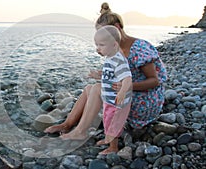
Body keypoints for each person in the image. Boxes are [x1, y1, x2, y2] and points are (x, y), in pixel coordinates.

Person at [45, 4, 167, 153]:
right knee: (90, 87)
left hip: (145, 100)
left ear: (117, 27)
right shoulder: (114, 49)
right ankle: (68, 124)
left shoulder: (139, 48)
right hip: (127, 94)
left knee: (97, 88)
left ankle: (80, 131)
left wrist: (126, 86)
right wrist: (102, 74)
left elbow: (154, 81)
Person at [94, 25, 132, 154]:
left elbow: (127, 79)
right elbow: (111, 76)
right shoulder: (110, 58)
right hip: (110, 100)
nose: (98, 48)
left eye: (101, 45)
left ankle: (113, 147)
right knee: (107, 119)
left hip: (117, 101)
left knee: (113, 122)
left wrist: (122, 92)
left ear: (114, 45)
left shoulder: (118, 60)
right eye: (97, 45)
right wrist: (99, 75)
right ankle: (108, 139)